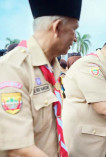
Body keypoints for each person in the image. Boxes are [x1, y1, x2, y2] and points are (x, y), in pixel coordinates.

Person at [0, 0, 82, 156]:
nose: (76, 38)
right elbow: (18, 147)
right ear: (57, 27)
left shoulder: (52, 68)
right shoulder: (13, 68)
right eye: (73, 29)